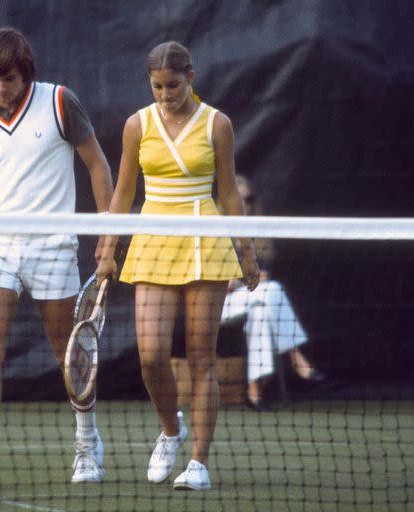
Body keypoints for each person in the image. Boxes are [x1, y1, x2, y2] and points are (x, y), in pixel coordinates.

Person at [0, 27, 114, 491]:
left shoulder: (61, 102)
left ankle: (87, 444)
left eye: (9, 79)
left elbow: (98, 164)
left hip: (53, 246)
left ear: (27, 72)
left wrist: (107, 235)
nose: (0, 88)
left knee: (69, 351)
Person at [96, 41, 259, 491]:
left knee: (201, 356)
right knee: (150, 358)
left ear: (191, 76)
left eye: (173, 85)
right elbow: (123, 192)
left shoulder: (217, 124)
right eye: (157, 86)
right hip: (152, 239)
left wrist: (246, 251)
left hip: (205, 238)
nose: (165, 94)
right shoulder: (137, 124)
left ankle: (198, 463)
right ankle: (171, 428)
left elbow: (228, 192)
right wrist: (107, 247)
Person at [221, 175, 326, 411]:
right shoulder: (214, 232)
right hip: (215, 304)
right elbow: (222, 283)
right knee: (272, 292)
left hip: (253, 296)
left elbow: (263, 277)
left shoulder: (260, 236)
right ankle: (295, 355)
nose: (244, 205)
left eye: (248, 199)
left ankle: (254, 393)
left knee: (263, 308)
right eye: (238, 199)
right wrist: (242, 279)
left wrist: (238, 279)